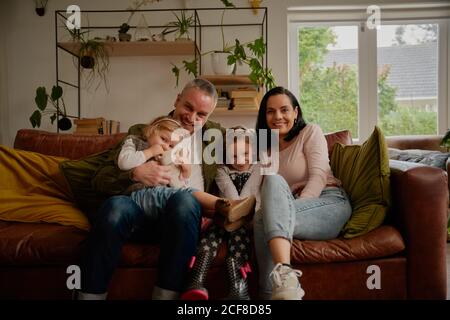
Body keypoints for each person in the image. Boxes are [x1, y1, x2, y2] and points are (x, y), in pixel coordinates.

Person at [78, 78, 226, 300]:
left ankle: (166, 297)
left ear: (209, 117)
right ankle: (89, 296)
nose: (192, 117)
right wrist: (134, 173)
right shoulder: (144, 131)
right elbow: (100, 179)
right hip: (138, 214)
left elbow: (249, 151)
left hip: (182, 219)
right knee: (115, 206)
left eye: (201, 114)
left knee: (184, 201)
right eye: (188, 107)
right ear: (177, 100)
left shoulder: (215, 138)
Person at [253, 87, 352, 300]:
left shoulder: (310, 132)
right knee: (265, 201)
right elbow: (261, 190)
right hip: (288, 206)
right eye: (270, 111)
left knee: (265, 216)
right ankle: (281, 291)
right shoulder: (264, 145)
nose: (277, 116)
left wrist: (291, 209)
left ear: (295, 112)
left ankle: (277, 285)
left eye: (284, 110)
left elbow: (318, 176)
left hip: (327, 202)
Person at [117, 115, 256, 226]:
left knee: (183, 195)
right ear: (152, 130)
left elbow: (176, 188)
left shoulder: (167, 158)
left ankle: (226, 213)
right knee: (185, 194)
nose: (166, 146)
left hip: (161, 205)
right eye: (163, 139)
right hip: (138, 196)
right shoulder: (134, 141)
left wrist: (184, 174)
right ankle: (226, 205)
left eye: (171, 145)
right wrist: (149, 152)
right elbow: (124, 162)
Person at [180, 126, 262, 300]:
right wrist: (233, 212)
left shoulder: (258, 169)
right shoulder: (221, 170)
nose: (240, 160)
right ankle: (196, 281)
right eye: (234, 155)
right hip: (224, 216)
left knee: (239, 240)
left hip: (246, 219)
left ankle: (239, 290)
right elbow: (231, 197)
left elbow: (251, 196)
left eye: (245, 154)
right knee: (209, 237)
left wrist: (244, 217)